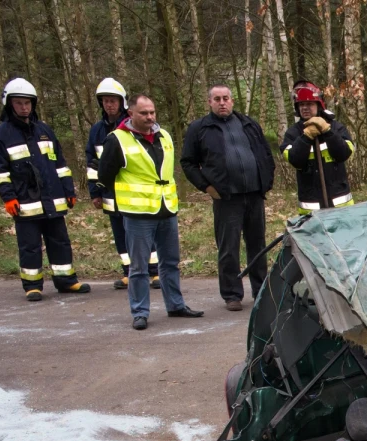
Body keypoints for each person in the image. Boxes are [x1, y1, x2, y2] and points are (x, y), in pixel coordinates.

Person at [96, 95, 203, 330]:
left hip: (166, 208)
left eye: (152, 112)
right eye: (144, 113)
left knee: (170, 262)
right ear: (131, 114)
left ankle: (175, 305)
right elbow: (105, 175)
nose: (150, 117)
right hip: (137, 213)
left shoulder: (164, 135)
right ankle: (140, 312)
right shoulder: (117, 140)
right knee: (139, 267)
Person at [0, 78, 88, 302]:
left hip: (52, 199)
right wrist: (8, 198)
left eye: (28, 103)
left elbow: (59, 163)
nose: (24, 107)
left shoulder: (44, 130)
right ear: (9, 104)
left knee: (60, 241)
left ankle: (66, 281)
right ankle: (32, 285)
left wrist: (68, 189)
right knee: (30, 246)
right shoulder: (1, 134)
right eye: (19, 103)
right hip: (24, 202)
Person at [180, 84, 275, 311]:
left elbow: (265, 154)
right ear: (210, 102)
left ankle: (261, 290)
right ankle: (232, 294)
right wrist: (206, 187)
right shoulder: (200, 128)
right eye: (217, 99)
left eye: (226, 98)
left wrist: (266, 181)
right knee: (228, 247)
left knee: (258, 245)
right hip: (226, 198)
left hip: (254, 195)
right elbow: (188, 163)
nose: (222, 102)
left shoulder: (249, 125)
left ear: (232, 101)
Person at [86, 78, 159, 291]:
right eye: (106, 101)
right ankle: (129, 272)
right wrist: (95, 193)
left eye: (113, 101)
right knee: (119, 233)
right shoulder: (97, 131)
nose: (110, 105)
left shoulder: (131, 126)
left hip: (135, 191)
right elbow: (92, 164)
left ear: (122, 103)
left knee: (146, 233)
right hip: (110, 192)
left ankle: (154, 272)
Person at [281, 81, 356, 214]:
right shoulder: (293, 133)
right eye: (301, 105)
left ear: (319, 105)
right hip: (310, 207)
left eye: (309, 104)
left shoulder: (336, 127)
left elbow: (344, 153)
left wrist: (327, 132)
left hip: (340, 204)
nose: (304, 108)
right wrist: (306, 136)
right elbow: (295, 160)